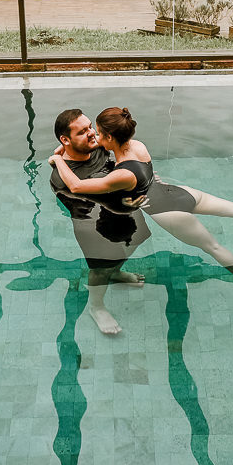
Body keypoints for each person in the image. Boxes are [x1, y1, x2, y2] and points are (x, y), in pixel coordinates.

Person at [50, 106, 233, 300]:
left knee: (212, 246)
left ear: (109, 137)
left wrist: (56, 158)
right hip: (178, 192)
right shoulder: (137, 147)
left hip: (165, 209)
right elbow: (113, 150)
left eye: (98, 134)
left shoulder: (121, 174)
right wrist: (73, 146)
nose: (94, 137)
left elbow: (76, 184)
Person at [49, 108, 151, 336]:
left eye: (90, 127)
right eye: (82, 132)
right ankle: (96, 306)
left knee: (134, 243)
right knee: (100, 267)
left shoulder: (97, 148)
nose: (92, 134)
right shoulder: (61, 178)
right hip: (94, 226)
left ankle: (114, 272)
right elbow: (85, 206)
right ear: (66, 139)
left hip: (124, 211)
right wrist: (58, 158)